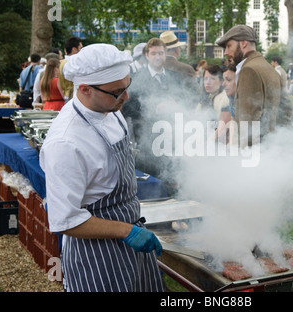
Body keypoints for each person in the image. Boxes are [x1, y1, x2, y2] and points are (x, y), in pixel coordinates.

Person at [39, 43, 164, 292]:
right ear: (84, 89)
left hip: (132, 239)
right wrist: (126, 231)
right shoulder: (65, 142)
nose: (125, 98)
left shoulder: (111, 110)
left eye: (126, 87)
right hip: (96, 255)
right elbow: (65, 220)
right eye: (117, 92)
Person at [122, 38, 184, 196]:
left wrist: (176, 106)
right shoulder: (135, 78)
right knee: (153, 189)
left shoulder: (174, 77)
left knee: (174, 183)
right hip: (147, 142)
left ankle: (175, 218)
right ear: (146, 55)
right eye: (154, 53)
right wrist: (152, 108)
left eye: (161, 53)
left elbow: (185, 101)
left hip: (172, 140)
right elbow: (127, 108)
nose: (158, 57)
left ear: (165, 55)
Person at [217, 25, 281, 147]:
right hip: (269, 147)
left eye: (229, 46)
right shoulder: (268, 67)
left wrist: (243, 153)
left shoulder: (249, 70)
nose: (225, 52)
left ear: (244, 43)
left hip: (253, 151)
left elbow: (247, 121)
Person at [160, 31, 199, 100]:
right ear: (176, 49)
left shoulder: (154, 68)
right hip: (183, 108)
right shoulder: (187, 69)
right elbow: (195, 93)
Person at [57, 36, 83, 101]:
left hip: (67, 96)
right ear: (74, 49)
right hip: (72, 97)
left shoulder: (61, 62)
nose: (82, 51)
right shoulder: (71, 63)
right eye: (81, 48)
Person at [271, 56, 293, 126]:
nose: (271, 63)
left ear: (275, 62)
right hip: (284, 95)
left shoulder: (277, 71)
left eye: (271, 62)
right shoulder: (282, 70)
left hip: (280, 97)